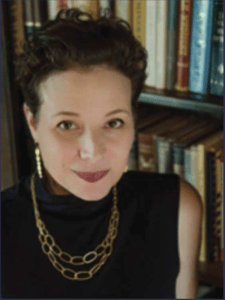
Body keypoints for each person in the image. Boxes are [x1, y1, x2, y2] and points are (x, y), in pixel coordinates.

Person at [1, 8, 203, 299]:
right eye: (67, 125)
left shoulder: (178, 208)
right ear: (33, 122)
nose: (93, 152)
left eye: (113, 123)